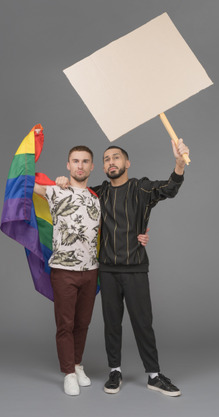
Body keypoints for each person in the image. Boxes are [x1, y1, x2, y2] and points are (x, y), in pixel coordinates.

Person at [56, 138, 189, 397]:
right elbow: (75, 195)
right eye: (106, 159)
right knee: (111, 324)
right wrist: (62, 182)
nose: (111, 162)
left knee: (143, 323)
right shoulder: (98, 193)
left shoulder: (141, 188)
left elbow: (170, 188)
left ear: (127, 163)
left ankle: (154, 375)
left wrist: (179, 164)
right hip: (106, 270)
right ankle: (114, 371)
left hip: (136, 267)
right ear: (102, 167)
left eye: (116, 157)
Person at [34, 145, 150, 396]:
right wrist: (39, 170)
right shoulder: (56, 191)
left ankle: (77, 364)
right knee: (65, 324)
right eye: (75, 161)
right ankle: (68, 373)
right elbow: (24, 185)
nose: (80, 166)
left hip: (91, 270)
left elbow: (116, 223)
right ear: (68, 165)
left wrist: (140, 235)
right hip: (64, 270)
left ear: (91, 167)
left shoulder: (97, 198)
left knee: (83, 323)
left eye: (85, 161)